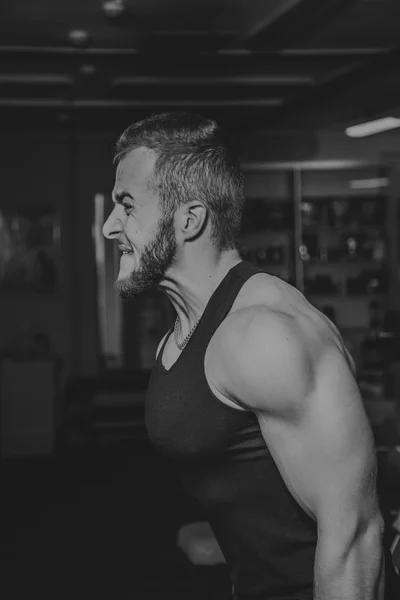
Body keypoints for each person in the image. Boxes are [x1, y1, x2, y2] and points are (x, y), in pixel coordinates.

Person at [102, 111, 398, 599]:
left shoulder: (266, 336)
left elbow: (354, 537)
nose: (110, 226)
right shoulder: (186, 330)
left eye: (127, 206)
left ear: (189, 219)